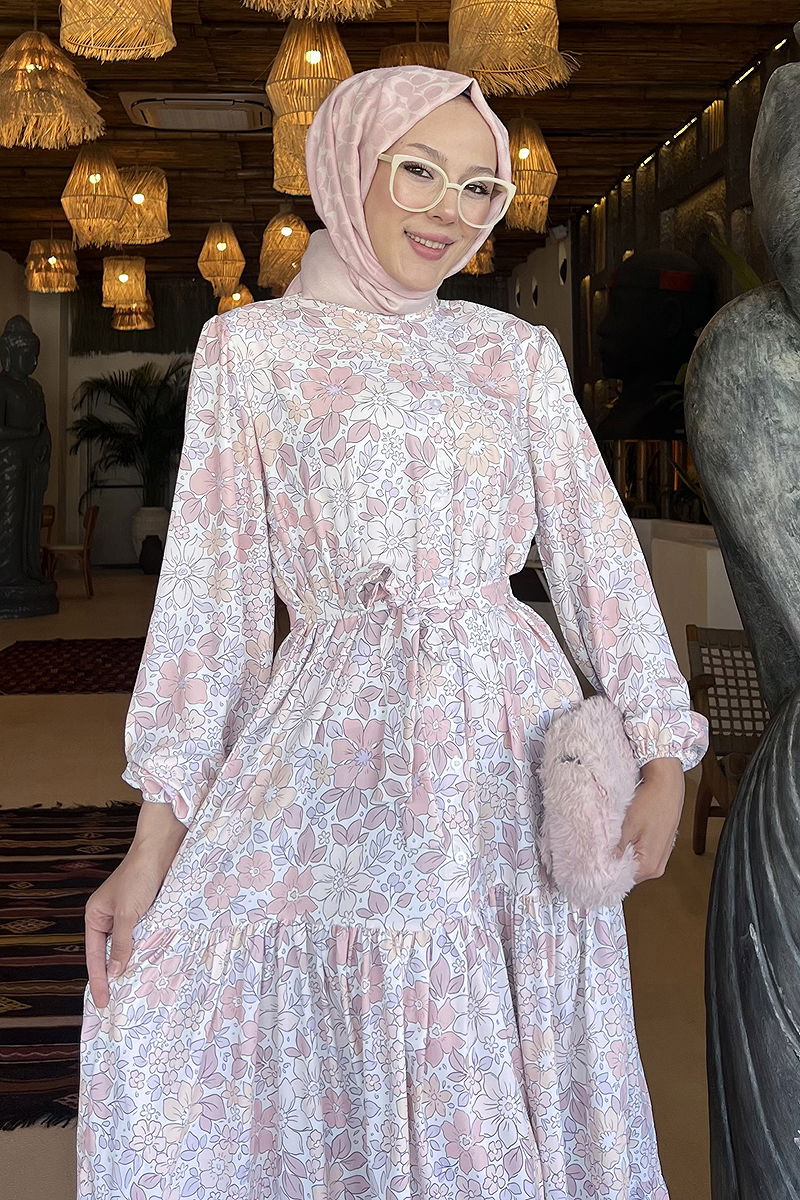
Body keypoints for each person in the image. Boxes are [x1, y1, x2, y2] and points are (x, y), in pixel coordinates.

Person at [78, 66, 708, 1200]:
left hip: (505, 743)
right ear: (346, 168)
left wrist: (663, 744)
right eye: (417, 171)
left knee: (494, 1009)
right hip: (334, 741)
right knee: (237, 988)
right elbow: (212, 611)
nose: (448, 213)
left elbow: (596, 556)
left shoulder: (511, 355)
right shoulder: (251, 355)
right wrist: (149, 848)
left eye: (478, 188)